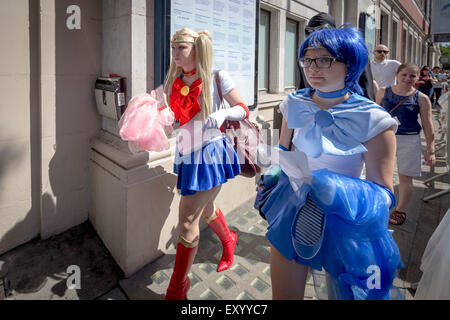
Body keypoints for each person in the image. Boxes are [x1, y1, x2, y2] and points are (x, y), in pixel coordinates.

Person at [260, 26, 402, 299]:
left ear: (351, 63)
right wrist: (270, 169)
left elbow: (385, 194)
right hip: (294, 210)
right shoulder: (293, 102)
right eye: (308, 59)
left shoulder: (374, 118)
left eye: (324, 59)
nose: (313, 68)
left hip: (348, 224)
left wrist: (335, 189)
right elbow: (283, 149)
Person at [163, 28, 250, 300]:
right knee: (206, 209)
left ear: (197, 49)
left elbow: (243, 108)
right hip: (187, 153)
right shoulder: (175, 79)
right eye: (173, 48)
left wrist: (223, 112)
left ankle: (177, 289)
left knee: (187, 219)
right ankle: (228, 239)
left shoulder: (216, 76)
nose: (175, 53)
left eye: (181, 48)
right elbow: (175, 118)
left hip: (210, 154)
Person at [376, 63, 436, 226]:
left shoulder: (421, 98)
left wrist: (431, 149)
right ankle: (380, 206)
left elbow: (427, 123)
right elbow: (374, 115)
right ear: (397, 74)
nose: (408, 79)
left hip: (409, 139)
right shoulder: (383, 91)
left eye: (412, 76)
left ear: (417, 78)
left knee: (405, 177)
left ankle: (400, 210)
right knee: (381, 175)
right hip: (384, 138)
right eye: (404, 75)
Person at [297, 12, 377, 101]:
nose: (312, 68)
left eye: (325, 60)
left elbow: (366, 86)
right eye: (310, 32)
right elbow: (303, 86)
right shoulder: (304, 58)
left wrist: (365, 110)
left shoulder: (352, 54)